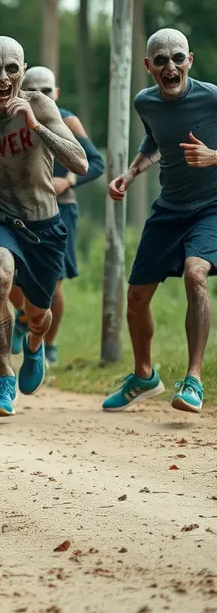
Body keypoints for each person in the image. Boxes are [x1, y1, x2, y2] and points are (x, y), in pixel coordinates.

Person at [0, 37, 88, 418]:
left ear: (22, 73)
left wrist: (35, 125)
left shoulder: (40, 105)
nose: (3, 77)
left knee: (39, 315)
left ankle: (36, 344)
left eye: (12, 69)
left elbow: (81, 164)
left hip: (43, 224)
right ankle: (5, 375)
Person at [105, 28, 214, 413]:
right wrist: (131, 173)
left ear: (190, 61)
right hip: (170, 209)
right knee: (136, 298)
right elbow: (154, 141)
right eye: (162, 61)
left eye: (178, 58)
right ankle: (144, 375)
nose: (171, 67)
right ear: (149, 67)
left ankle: (194, 381)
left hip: (211, 207)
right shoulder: (144, 102)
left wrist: (214, 156)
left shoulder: (212, 97)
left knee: (195, 273)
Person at [7, 67, 105, 365]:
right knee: (7, 272)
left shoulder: (69, 121)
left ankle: (47, 345)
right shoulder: (11, 118)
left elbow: (96, 163)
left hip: (61, 210)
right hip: (21, 210)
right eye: (31, 90)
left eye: (46, 91)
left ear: (56, 93)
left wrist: (69, 181)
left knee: (55, 281)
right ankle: (24, 314)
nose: (39, 96)